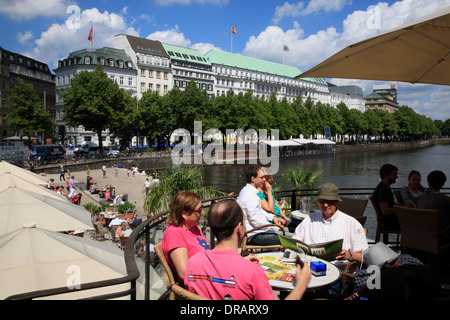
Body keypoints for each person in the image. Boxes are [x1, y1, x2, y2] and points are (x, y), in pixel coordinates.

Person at [184, 199, 311, 300]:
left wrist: (241, 263)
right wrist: (301, 285)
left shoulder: (192, 263)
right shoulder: (253, 273)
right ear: (239, 228)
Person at [293, 182, 368, 263]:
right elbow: (295, 240)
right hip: (309, 267)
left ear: (337, 202)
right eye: (322, 201)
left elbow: (365, 257)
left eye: (329, 201)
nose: (325, 205)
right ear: (318, 201)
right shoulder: (309, 219)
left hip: (339, 271)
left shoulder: (352, 224)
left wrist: (349, 255)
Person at [162, 190, 210, 281]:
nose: (202, 213)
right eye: (199, 210)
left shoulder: (192, 227)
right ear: (184, 214)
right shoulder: (174, 234)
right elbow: (184, 272)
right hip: (200, 285)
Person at [236, 166, 285, 246]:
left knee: (289, 233)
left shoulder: (248, 191)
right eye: (261, 177)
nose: (264, 179)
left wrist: (273, 218)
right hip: (255, 235)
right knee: (291, 238)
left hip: (258, 231)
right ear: (253, 178)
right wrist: (274, 228)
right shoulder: (249, 195)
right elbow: (255, 221)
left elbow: (259, 210)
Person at [417, 170, 450, 243]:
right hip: (440, 238)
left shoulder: (421, 197)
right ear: (443, 183)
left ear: (428, 183)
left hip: (421, 237)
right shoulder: (445, 200)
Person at [372, 164, 401, 236]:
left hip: (389, 220)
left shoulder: (385, 187)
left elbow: (390, 204)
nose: (396, 177)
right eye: (394, 175)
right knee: (414, 222)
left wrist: (402, 206)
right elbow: (385, 211)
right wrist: (402, 209)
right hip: (389, 222)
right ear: (385, 175)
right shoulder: (382, 189)